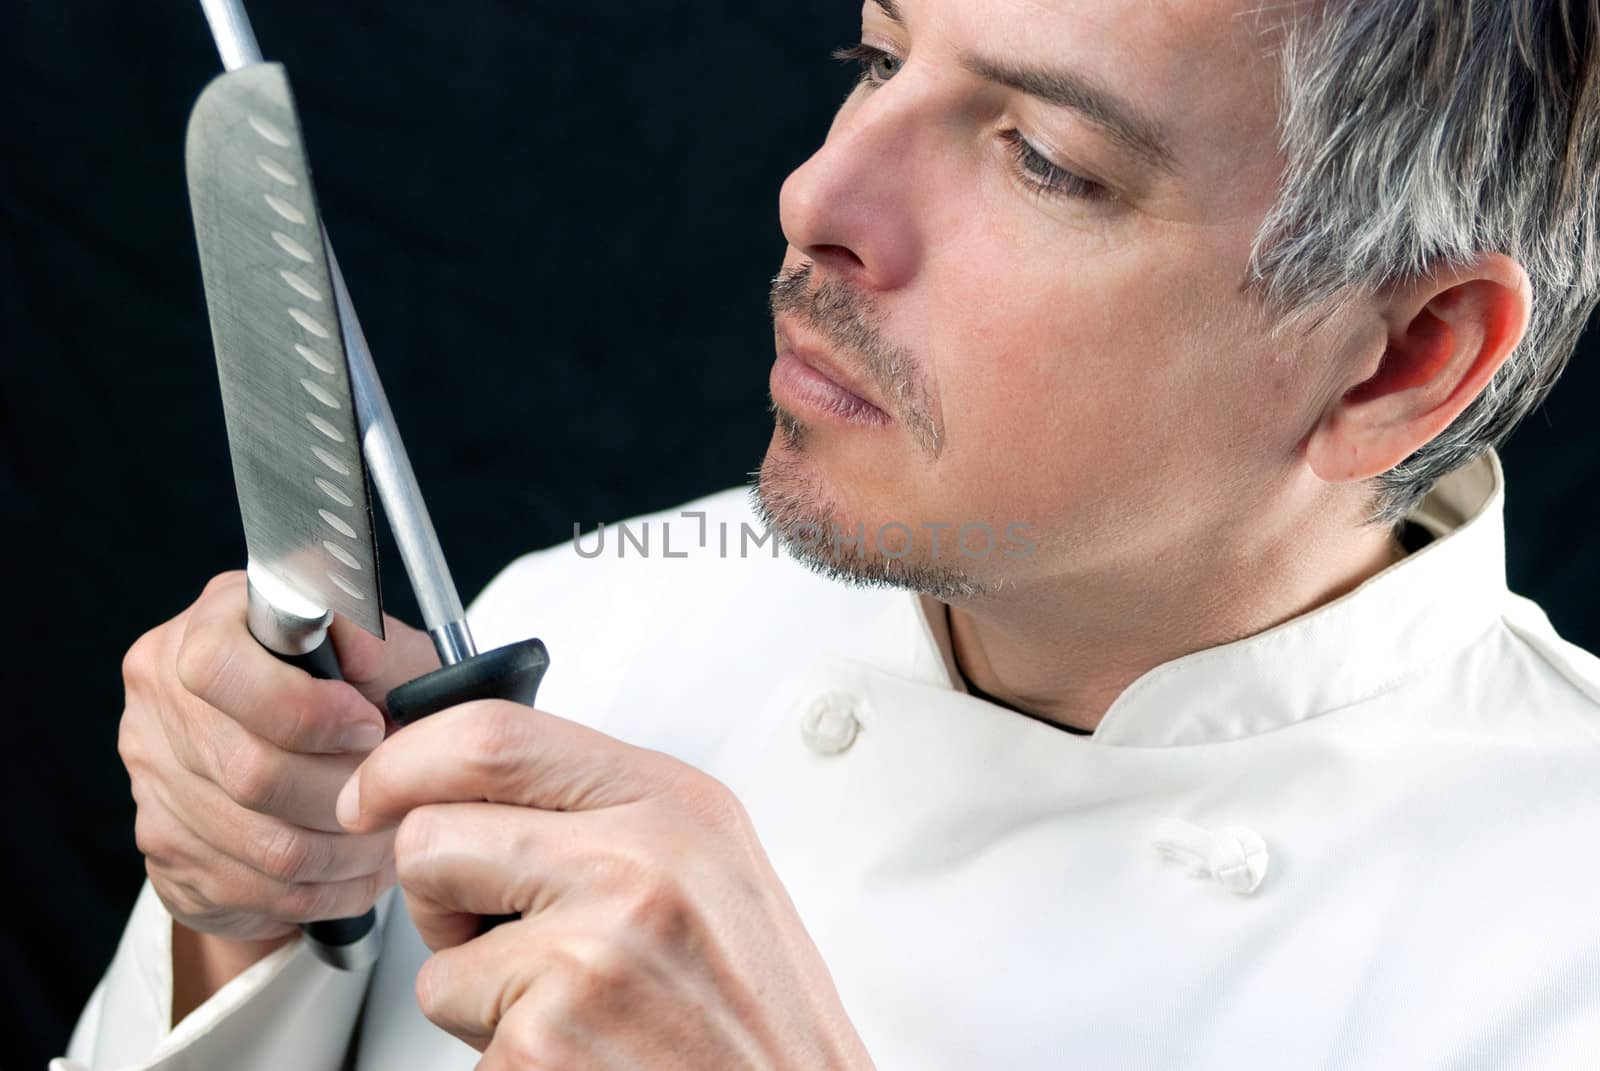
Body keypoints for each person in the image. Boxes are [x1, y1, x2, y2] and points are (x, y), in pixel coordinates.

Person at [57, 0, 1600, 1068]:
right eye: (877, 58)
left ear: (1404, 357)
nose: (815, 195)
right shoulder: (576, 623)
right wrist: (249, 932)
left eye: (1046, 159)